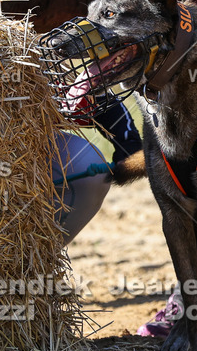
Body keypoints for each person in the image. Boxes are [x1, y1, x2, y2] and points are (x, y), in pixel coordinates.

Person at [53, 96, 142, 246]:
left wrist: (128, 141)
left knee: (88, 164)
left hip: (38, 146)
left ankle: (39, 257)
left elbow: (93, 97)